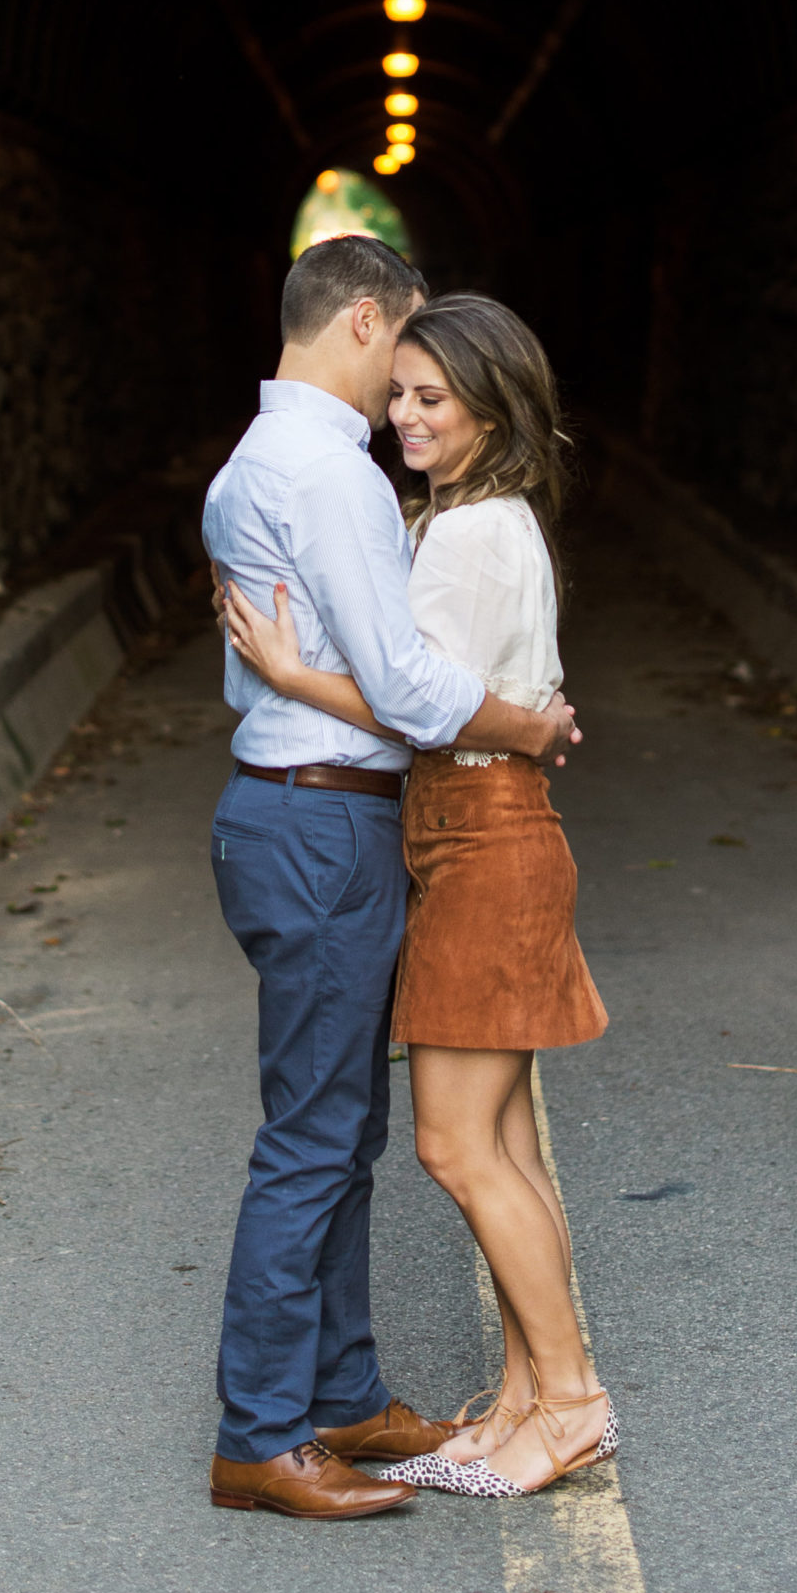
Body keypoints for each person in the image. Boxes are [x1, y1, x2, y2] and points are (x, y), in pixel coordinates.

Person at [202, 236, 581, 1522]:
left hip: (301, 815)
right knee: (318, 1134)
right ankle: (263, 1432)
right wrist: (529, 724)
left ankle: (343, 1391)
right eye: (402, 370)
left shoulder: (256, 465)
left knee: (342, 1127)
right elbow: (415, 689)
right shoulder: (336, 477)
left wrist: (301, 675)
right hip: (326, 820)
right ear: (365, 322)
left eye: (437, 392)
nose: (403, 407)